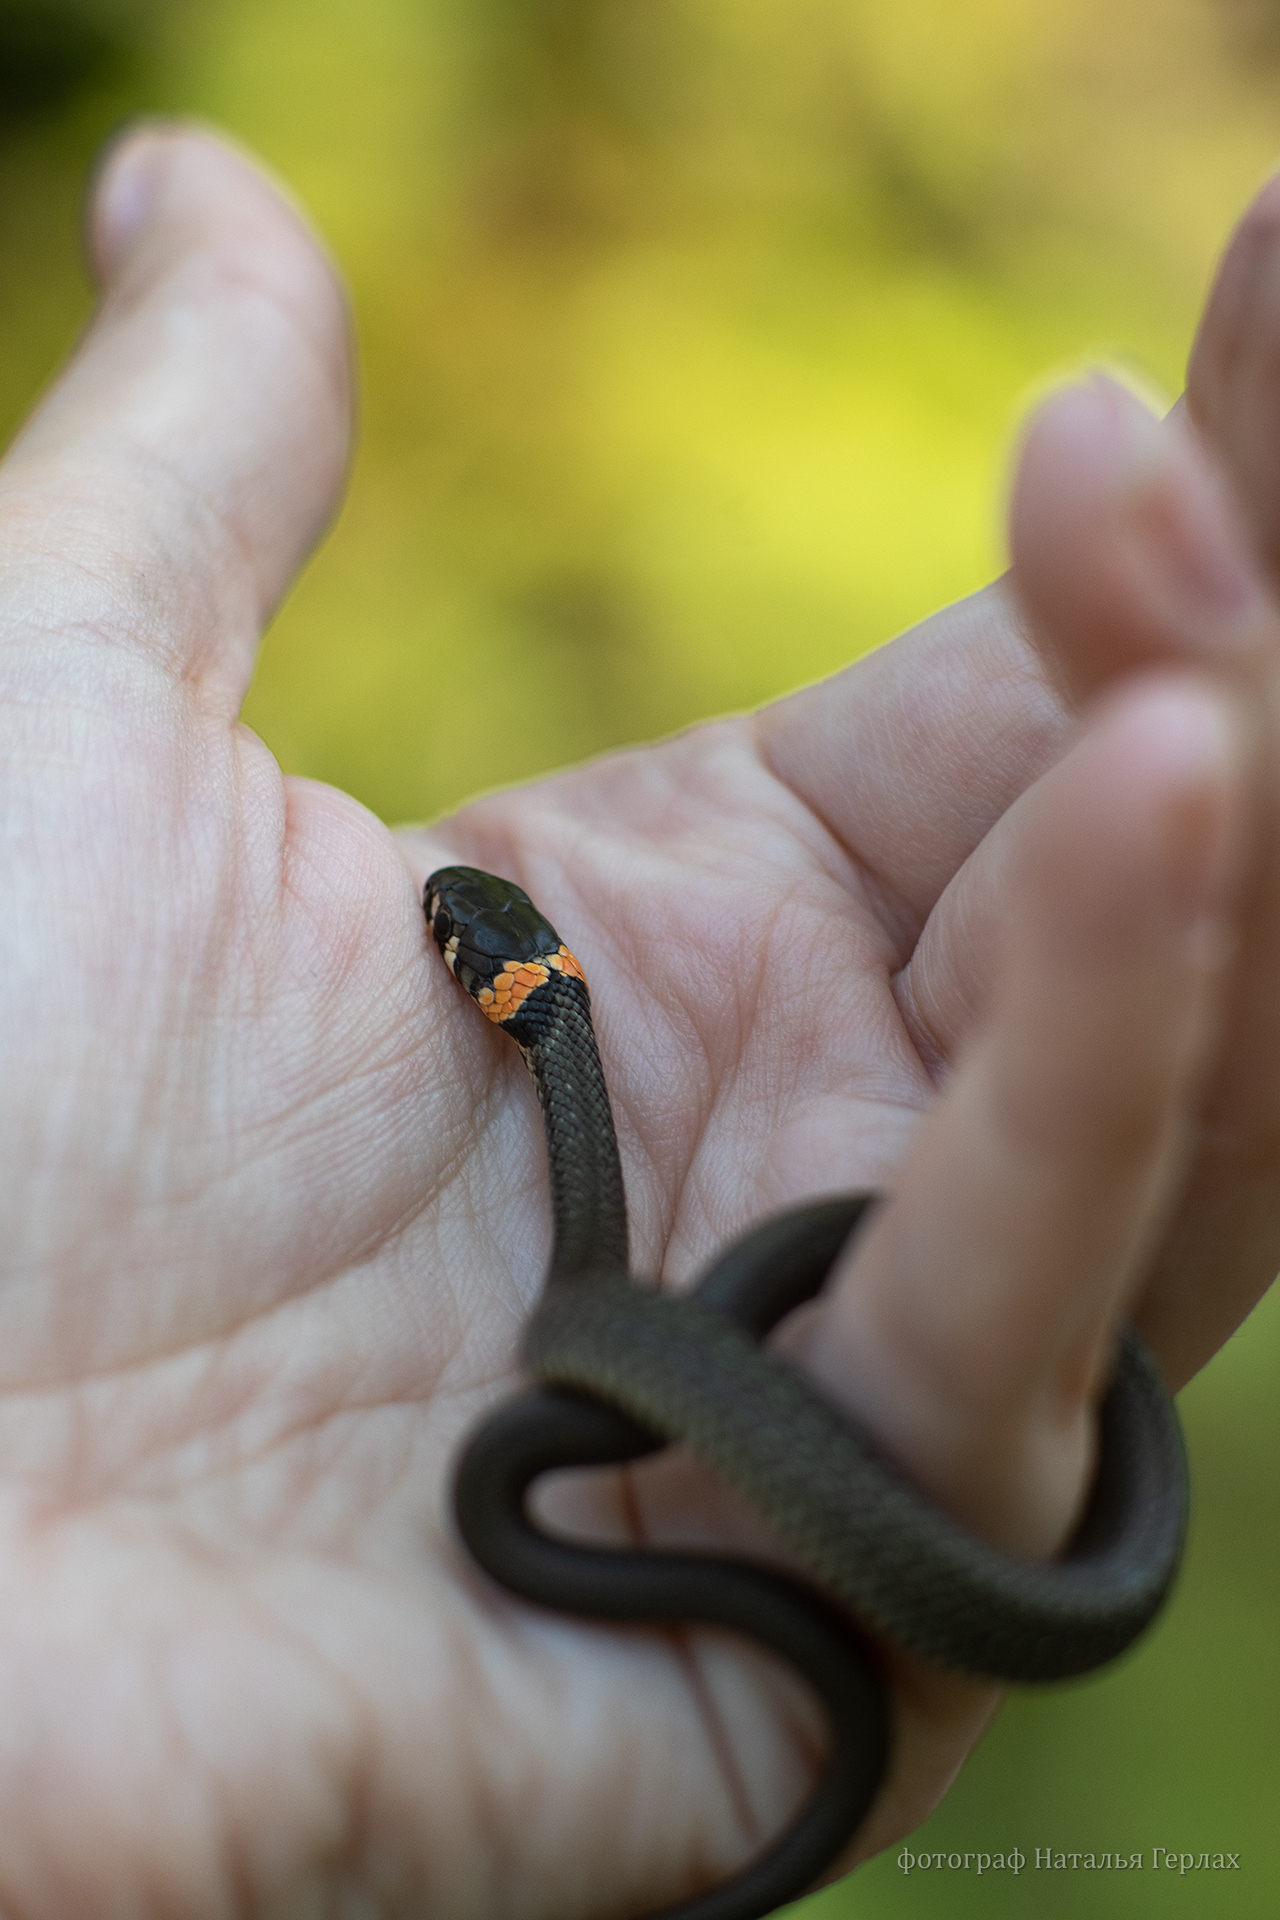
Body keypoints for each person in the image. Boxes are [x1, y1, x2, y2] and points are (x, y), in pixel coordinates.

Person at [0, 118, 1276, 1915]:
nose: (446, 936)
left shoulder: (585, 1231)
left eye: (467, 943)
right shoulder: (578, 1233)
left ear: (514, 990)